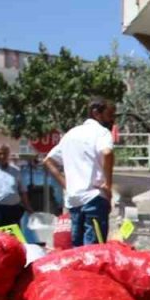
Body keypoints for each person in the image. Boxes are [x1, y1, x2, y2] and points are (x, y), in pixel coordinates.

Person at [42, 98, 116, 246]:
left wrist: (66, 185)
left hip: (74, 201)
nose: (112, 120)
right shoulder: (101, 132)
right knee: (94, 250)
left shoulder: (71, 134)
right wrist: (108, 184)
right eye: (109, 115)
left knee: (78, 249)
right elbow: (107, 153)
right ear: (96, 113)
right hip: (94, 198)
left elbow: (48, 161)